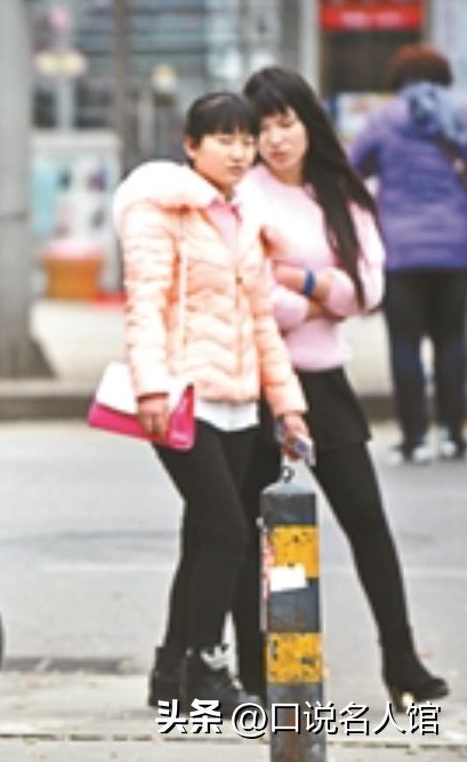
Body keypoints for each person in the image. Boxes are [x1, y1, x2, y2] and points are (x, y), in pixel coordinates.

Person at [235, 66, 449, 709]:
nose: (276, 139)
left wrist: (302, 283)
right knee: (254, 535)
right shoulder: (244, 196)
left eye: (286, 122)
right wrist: (322, 294)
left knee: (367, 524)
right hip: (260, 379)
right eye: (262, 127)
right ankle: (256, 669)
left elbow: (369, 290)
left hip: (325, 381)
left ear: (309, 123)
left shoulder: (343, 194)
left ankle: (402, 660)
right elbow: (250, 295)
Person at [115, 92, 309, 715]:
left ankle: (170, 671)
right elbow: (145, 304)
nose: (239, 151)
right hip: (179, 399)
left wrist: (289, 406)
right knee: (228, 533)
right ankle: (204, 665)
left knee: (203, 538)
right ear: (191, 145)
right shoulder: (159, 211)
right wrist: (149, 385)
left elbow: (261, 322)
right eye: (224, 139)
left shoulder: (244, 217)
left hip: (238, 403)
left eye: (246, 140)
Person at [348, 44, 467, 462]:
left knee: (404, 344)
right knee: (453, 342)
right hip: (457, 249)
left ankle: (414, 438)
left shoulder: (383, 118)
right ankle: (454, 435)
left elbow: (352, 169)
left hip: (399, 250)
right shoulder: (460, 112)